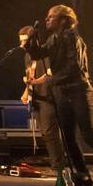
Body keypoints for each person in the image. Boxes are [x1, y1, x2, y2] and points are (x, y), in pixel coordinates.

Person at [24, 4, 93, 186]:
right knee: (68, 137)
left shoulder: (72, 38)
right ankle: (82, 174)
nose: (47, 19)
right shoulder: (53, 39)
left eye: (51, 16)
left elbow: (73, 67)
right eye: (47, 16)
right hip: (63, 93)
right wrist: (31, 40)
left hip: (79, 92)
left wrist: (52, 80)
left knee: (89, 134)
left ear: (64, 20)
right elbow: (38, 54)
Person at [18, 25, 64, 169]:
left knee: (50, 131)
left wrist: (34, 81)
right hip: (37, 97)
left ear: (33, 40)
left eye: (25, 41)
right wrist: (26, 91)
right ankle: (56, 162)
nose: (22, 44)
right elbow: (30, 76)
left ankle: (58, 165)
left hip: (50, 97)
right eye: (21, 41)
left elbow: (50, 76)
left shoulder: (46, 53)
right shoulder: (27, 56)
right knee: (44, 132)